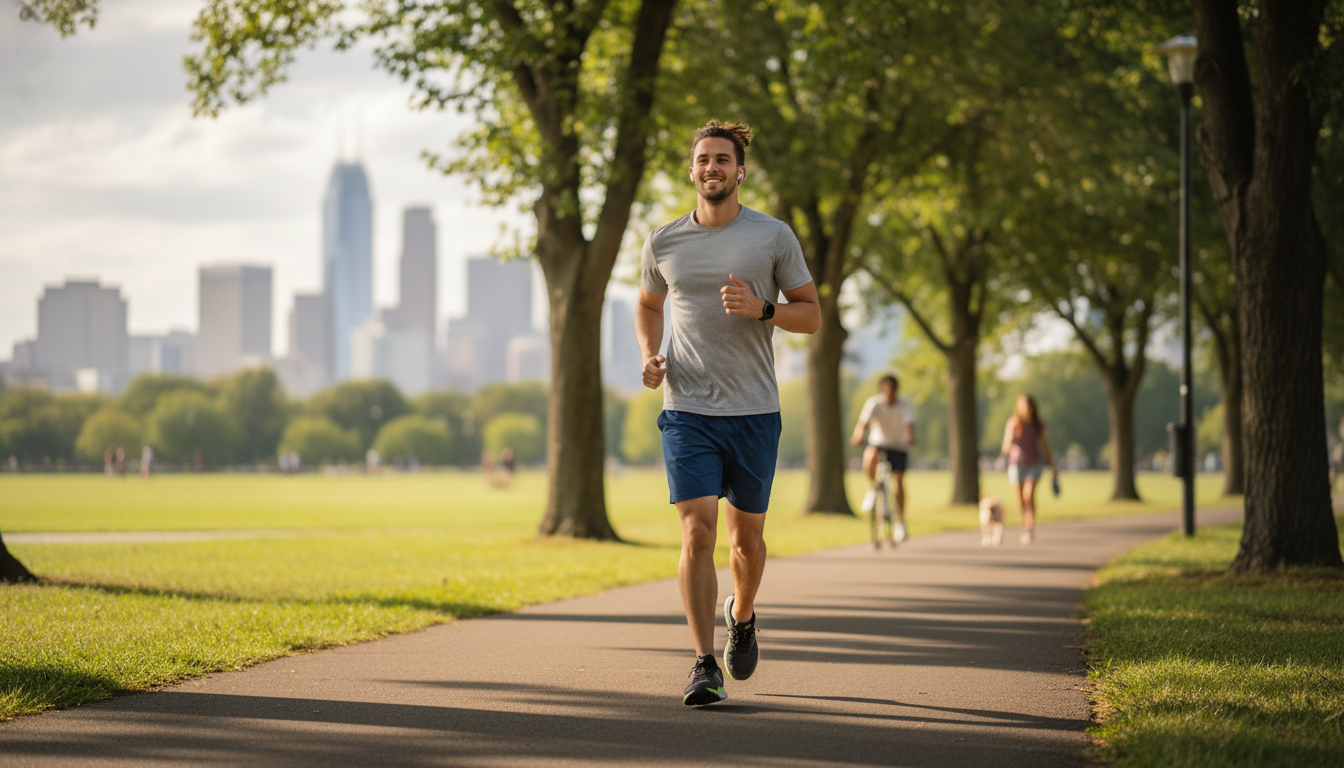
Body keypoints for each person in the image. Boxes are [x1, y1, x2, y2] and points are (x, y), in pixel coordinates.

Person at [636, 120, 820, 706]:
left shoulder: (772, 237)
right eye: (702, 160)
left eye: (722, 159)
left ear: (740, 171)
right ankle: (702, 662)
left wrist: (764, 309)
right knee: (696, 532)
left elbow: (811, 315)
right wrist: (650, 354)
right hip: (686, 408)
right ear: (691, 171)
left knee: (747, 541)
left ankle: (742, 614)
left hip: (754, 410)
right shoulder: (664, 241)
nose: (711, 168)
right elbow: (647, 303)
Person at [850, 374, 916, 544]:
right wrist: (858, 436)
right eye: (885, 388)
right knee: (870, 454)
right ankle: (873, 488)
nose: (889, 391)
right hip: (879, 443)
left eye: (892, 388)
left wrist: (909, 437)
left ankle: (900, 521)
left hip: (898, 445)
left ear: (896, 389)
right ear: (881, 389)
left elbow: (909, 425)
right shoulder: (874, 403)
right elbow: (862, 423)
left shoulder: (904, 404)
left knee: (899, 480)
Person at [1000, 394, 1057, 544]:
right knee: (1020, 501)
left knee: (1028, 495)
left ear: (1032, 408)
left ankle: (1029, 528)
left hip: (1034, 464)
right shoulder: (1013, 423)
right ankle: (1024, 524)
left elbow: (1045, 446)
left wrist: (1053, 465)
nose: (1025, 408)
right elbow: (1005, 448)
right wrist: (1010, 438)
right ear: (1018, 408)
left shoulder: (1038, 425)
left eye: (1027, 405)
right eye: (1022, 406)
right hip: (1016, 465)